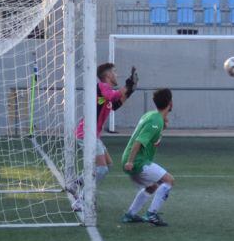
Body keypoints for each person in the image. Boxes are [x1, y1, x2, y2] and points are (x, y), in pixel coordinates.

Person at [70, 63, 137, 210]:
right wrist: (126, 87)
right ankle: (81, 200)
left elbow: (115, 105)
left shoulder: (104, 91)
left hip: (90, 134)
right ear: (108, 76)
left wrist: (129, 92)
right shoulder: (102, 87)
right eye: (115, 71)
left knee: (108, 164)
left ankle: (76, 183)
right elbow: (112, 96)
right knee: (102, 169)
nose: (117, 74)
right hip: (87, 133)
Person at [119, 88, 175, 227]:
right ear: (170, 103)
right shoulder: (155, 121)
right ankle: (152, 214)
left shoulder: (151, 115)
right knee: (169, 181)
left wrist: (163, 125)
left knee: (152, 187)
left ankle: (130, 215)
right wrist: (131, 162)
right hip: (137, 161)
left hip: (131, 160)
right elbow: (139, 141)